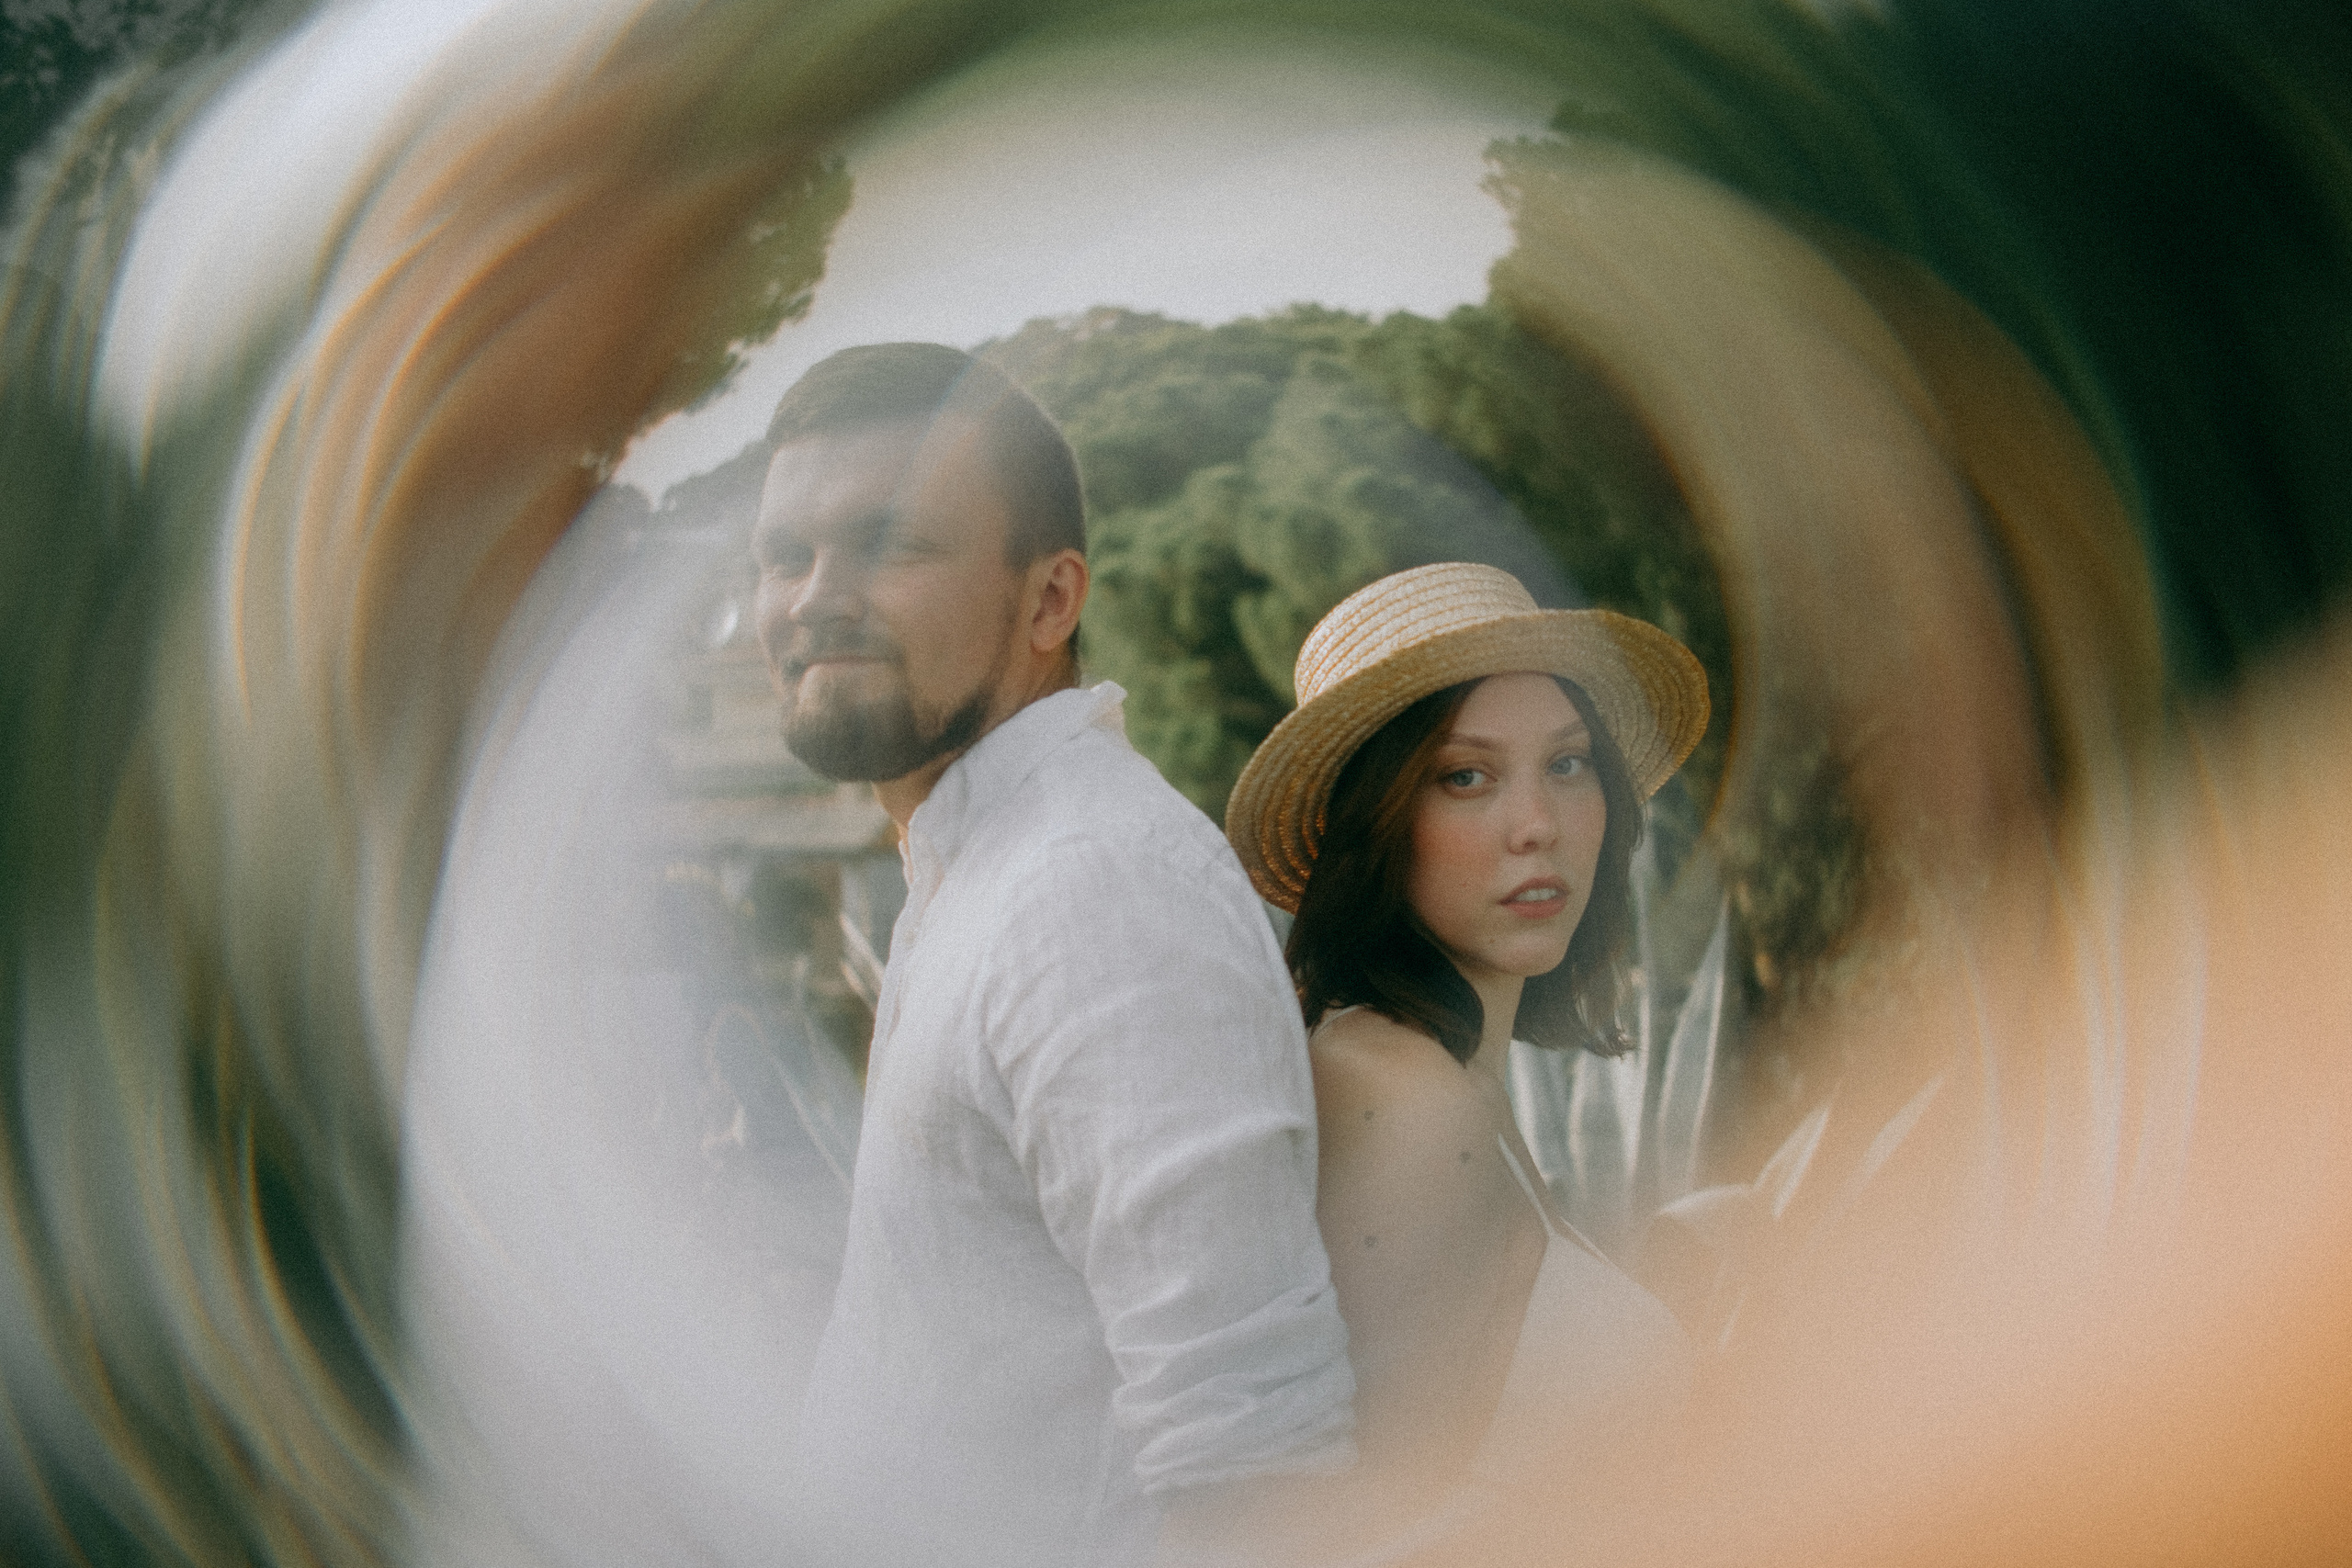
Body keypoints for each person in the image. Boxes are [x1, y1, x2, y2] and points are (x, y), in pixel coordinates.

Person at [752, 344, 1355, 1568]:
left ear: (1049, 601)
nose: (816, 595)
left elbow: (1255, 1464)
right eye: (785, 554)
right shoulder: (983, 869)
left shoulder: (1096, 889)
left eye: (888, 543)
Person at [1224, 561, 1709, 1545]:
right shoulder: (1400, 1096)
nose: (1538, 826)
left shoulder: (1441, 1073)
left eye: (1568, 763)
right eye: (1465, 776)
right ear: (1376, 824)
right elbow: (1365, 1532)